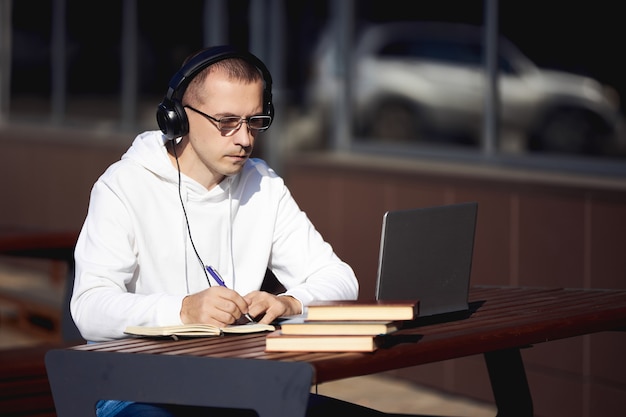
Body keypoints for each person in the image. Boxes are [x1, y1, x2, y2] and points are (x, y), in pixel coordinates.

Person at [70, 45, 390, 416]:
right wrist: (185, 310)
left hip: (241, 384)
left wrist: (289, 302)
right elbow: (89, 308)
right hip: (136, 389)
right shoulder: (122, 186)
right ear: (178, 118)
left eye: (254, 121)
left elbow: (340, 280)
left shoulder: (263, 184)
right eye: (227, 122)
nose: (244, 139)